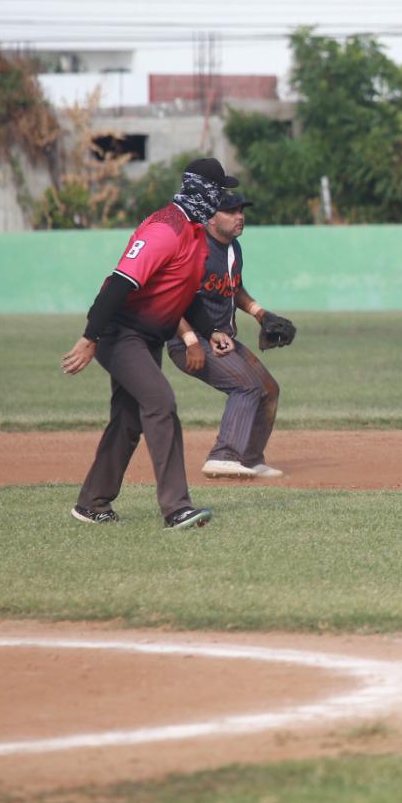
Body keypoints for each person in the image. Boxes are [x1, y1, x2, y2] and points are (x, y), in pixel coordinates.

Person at [59, 156, 239, 529]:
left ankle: (92, 503)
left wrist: (211, 331)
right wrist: (90, 337)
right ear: (203, 191)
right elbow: (120, 282)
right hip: (119, 333)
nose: (223, 197)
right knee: (160, 402)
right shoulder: (164, 229)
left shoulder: (194, 234)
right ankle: (177, 508)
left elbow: (184, 293)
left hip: (148, 337)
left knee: (127, 419)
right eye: (220, 190)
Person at [167, 192, 289, 479]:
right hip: (188, 341)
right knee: (247, 386)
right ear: (210, 217)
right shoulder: (196, 251)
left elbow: (234, 288)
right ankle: (223, 456)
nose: (240, 216)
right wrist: (190, 341)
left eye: (241, 211)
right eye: (231, 211)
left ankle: (249, 459)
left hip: (221, 339)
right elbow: (171, 300)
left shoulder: (233, 248)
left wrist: (260, 314)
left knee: (269, 389)